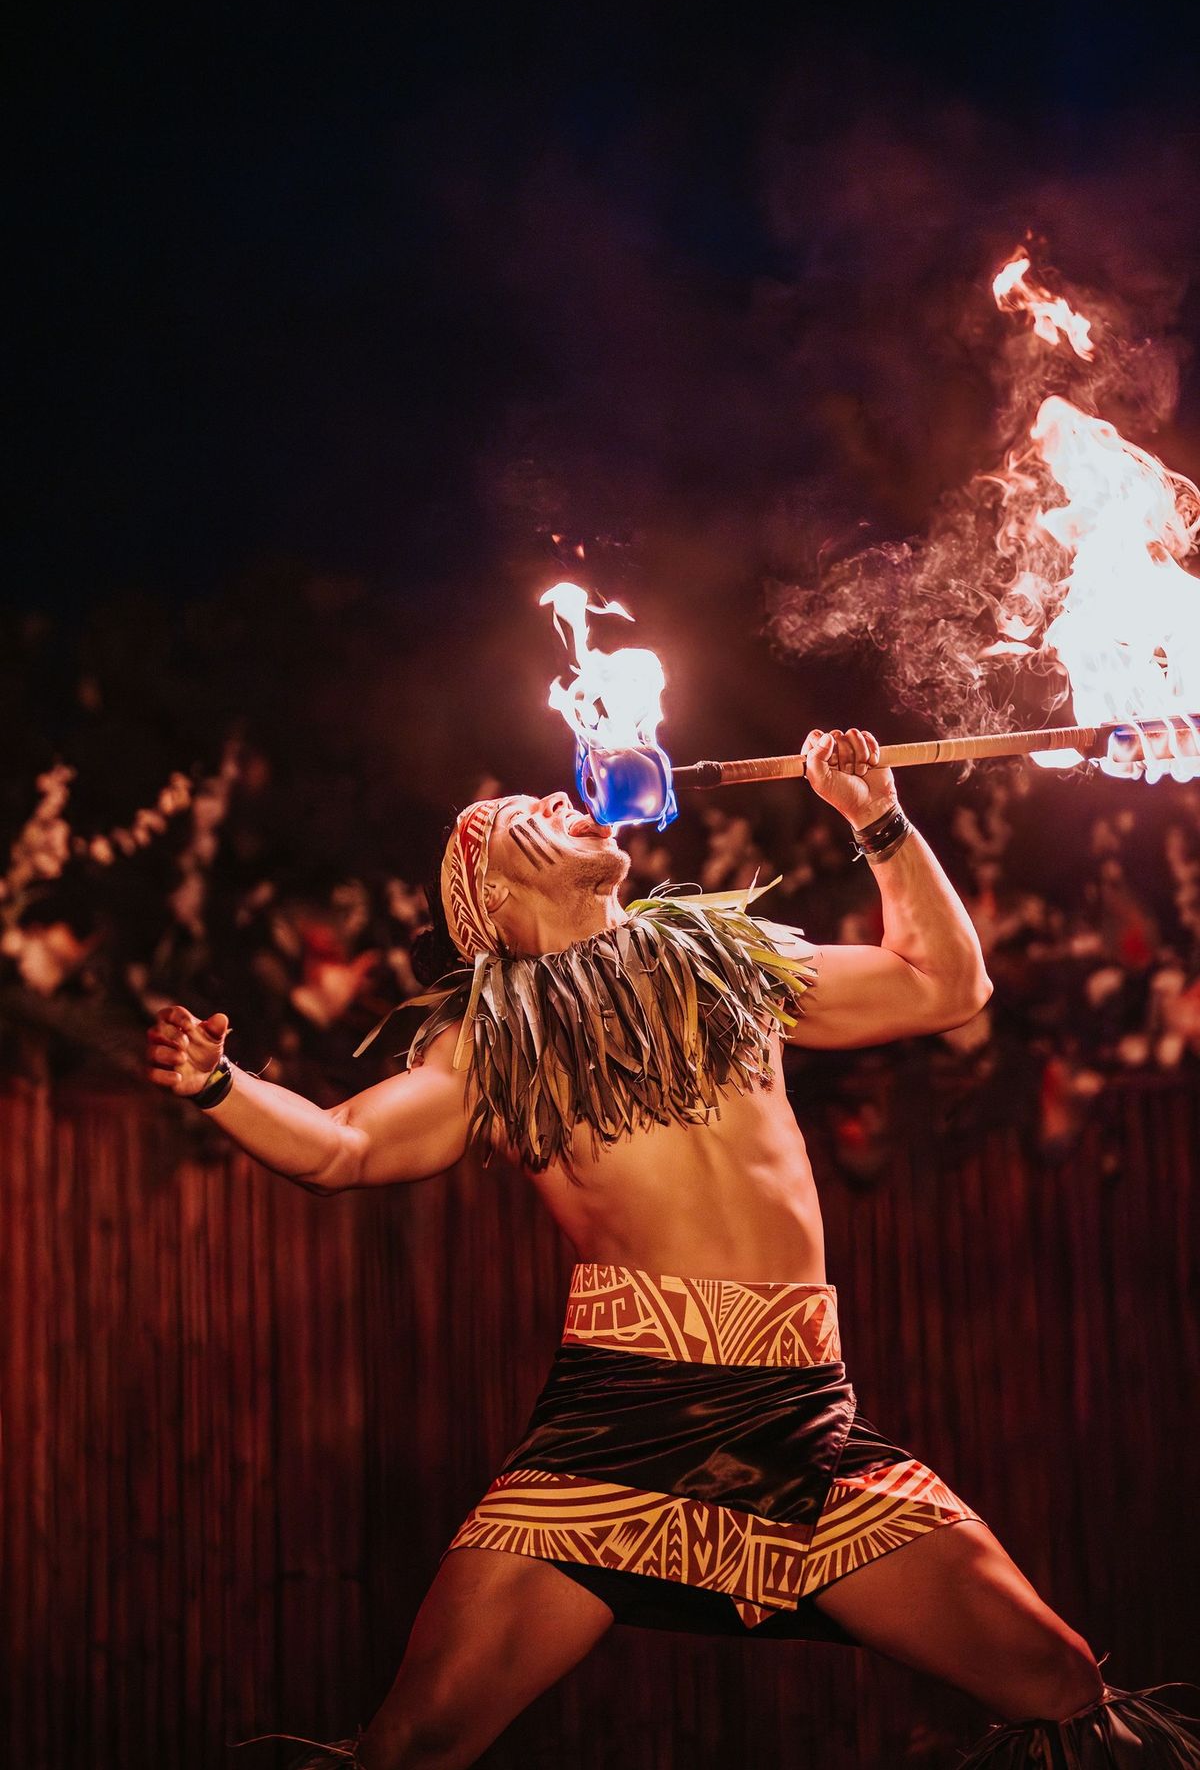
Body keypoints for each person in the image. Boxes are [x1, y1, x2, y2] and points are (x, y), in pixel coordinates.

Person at [146, 729, 1200, 1770]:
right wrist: (219, 1087)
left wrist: (875, 817)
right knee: (413, 1747)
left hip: (803, 1427)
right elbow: (341, 1150)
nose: (568, 803)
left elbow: (943, 987)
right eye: (529, 820)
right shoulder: (494, 1040)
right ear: (496, 904)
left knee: (1059, 1682)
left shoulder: (726, 960)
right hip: (616, 1437)